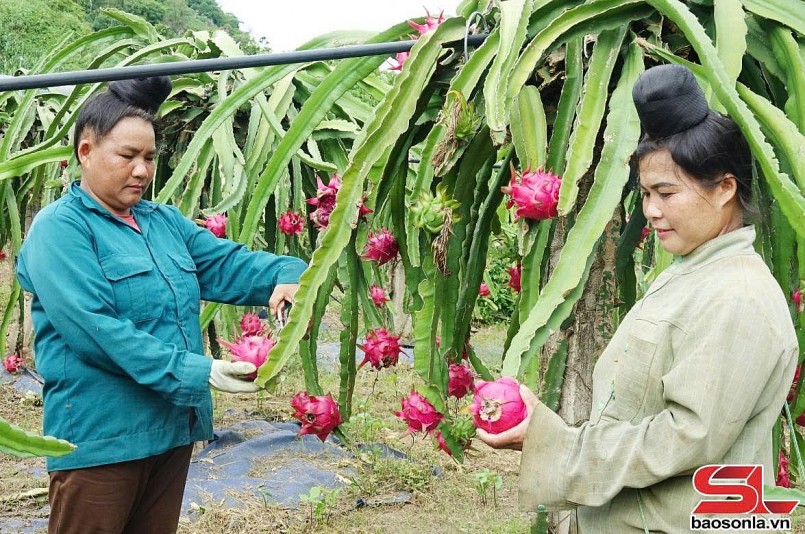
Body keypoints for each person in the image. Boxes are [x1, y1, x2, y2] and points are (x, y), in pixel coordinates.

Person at [476, 64, 800, 532]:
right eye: (646, 193)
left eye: (666, 193)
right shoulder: (691, 272)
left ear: (725, 187)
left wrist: (553, 443)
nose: (650, 210)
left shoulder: (738, 298)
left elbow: (686, 438)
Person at [16, 76, 307, 533]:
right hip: (101, 440)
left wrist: (289, 274)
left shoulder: (163, 222)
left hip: (171, 431)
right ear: (86, 152)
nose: (142, 171)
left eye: (150, 157)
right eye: (127, 156)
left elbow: (231, 265)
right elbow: (96, 331)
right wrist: (201, 371)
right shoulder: (59, 229)